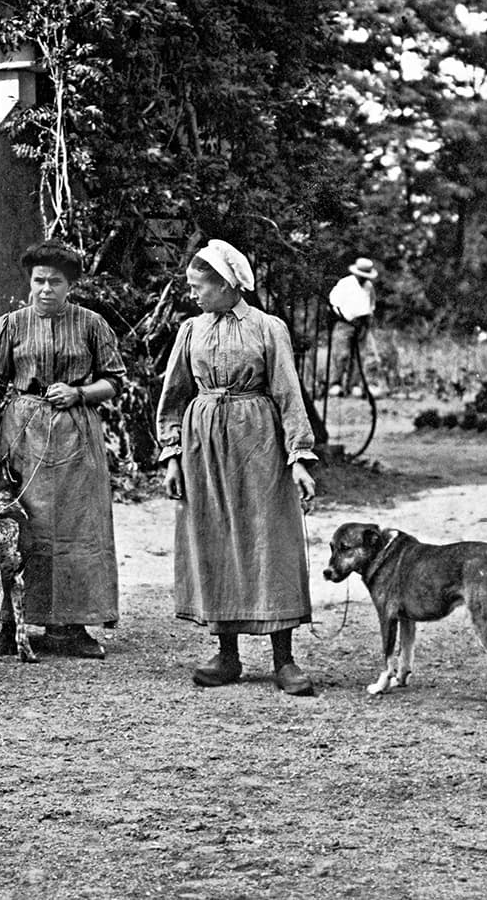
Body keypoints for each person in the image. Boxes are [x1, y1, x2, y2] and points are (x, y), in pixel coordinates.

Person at [155, 239, 319, 696]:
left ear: (226, 285)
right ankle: (227, 655)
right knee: (215, 537)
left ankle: (284, 659)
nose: (194, 295)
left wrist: (300, 458)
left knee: (269, 537)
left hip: (258, 441)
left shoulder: (269, 328)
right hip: (203, 444)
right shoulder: (191, 330)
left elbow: (288, 393)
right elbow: (173, 397)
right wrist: (171, 455)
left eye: (199, 286)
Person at [0, 240, 126, 660]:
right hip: (21, 436)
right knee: (13, 528)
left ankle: (68, 626)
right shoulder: (11, 325)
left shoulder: (92, 324)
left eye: (55, 281)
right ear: (29, 282)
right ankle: (4, 624)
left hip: (75, 436)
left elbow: (113, 381)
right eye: (38, 280)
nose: (45, 289)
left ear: (70, 285)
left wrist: (79, 391)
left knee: (75, 529)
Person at [328, 256, 379, 397]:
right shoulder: (345, 284)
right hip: (345, 323)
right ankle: (335, 384)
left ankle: (354, 385)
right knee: (341, 354)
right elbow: (334, 304)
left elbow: (372, 304)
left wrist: (368, 318)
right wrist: (347, 318)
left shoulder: (369, 286)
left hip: (362, 324)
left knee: (360, 355)